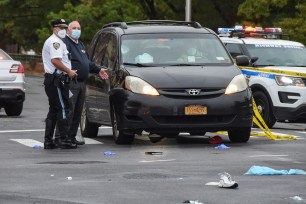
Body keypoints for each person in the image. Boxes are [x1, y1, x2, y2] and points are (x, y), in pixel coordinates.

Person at [54, 20, 109, 145]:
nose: (76, 30)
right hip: (70, 81)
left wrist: (98, 70)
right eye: (74, 28)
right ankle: (61, 137)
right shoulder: (64, 43)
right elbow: (60, 60)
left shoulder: (80, 45)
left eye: (78, 28)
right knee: (68, 110)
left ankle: (71, 136)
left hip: (81, 83)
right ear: (68, 30)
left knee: (78, 111)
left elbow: (87, 63)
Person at [42, 18, 78, 149]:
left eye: (64, 28)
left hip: (56, 79)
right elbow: (55, 61)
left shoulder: (59, 42)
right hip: (56, 80)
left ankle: (48, 140)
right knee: (63, 108)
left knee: (54, 109)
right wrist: (69, 71)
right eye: (60, 28)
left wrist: (69, 70)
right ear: (54, 28)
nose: (63, 30)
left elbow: (61, 61)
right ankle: (63, 139)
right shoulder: (55, 42)